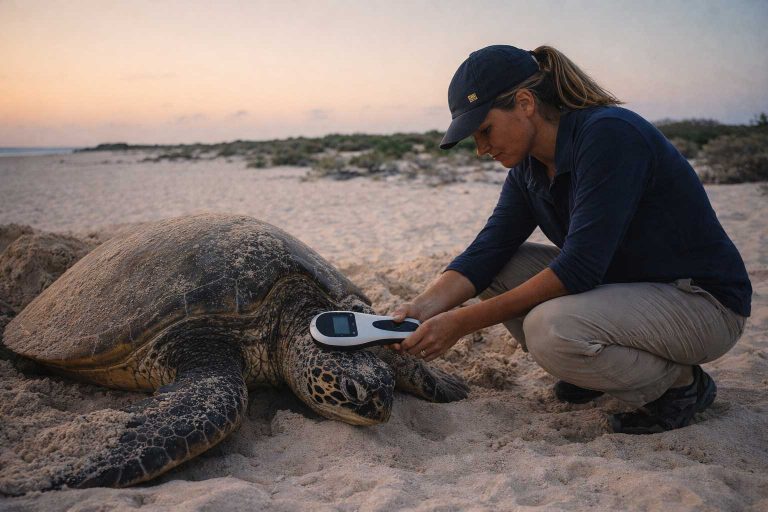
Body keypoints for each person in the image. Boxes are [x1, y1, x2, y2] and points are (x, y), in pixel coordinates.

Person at [389, 45, 751, 434]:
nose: (481, 149)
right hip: (628, 288)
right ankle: (591, 367)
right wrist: (421, 308)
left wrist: (461, 322)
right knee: (499, 266)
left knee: (549, 330)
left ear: (525, 103)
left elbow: (580, 268)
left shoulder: (609, 134)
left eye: (485, 130)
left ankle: (680, 385)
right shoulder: (529, 168)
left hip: (702, 303)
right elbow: (488, 250)